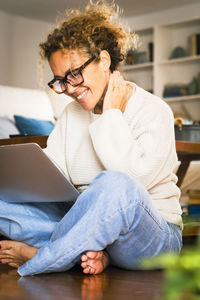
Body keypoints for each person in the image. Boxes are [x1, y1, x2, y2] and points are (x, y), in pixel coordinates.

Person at [0, 0, 182, 276]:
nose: (69, 88)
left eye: (74, 74)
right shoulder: (71, 115)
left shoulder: (154, 110)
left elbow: (132, 185)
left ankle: (43, 259)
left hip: (150, 234)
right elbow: (54, 178)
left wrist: (111, 115)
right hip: (86, 224)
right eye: (60, 80)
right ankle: (82, 253)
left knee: (115, 185)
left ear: (104, 60)